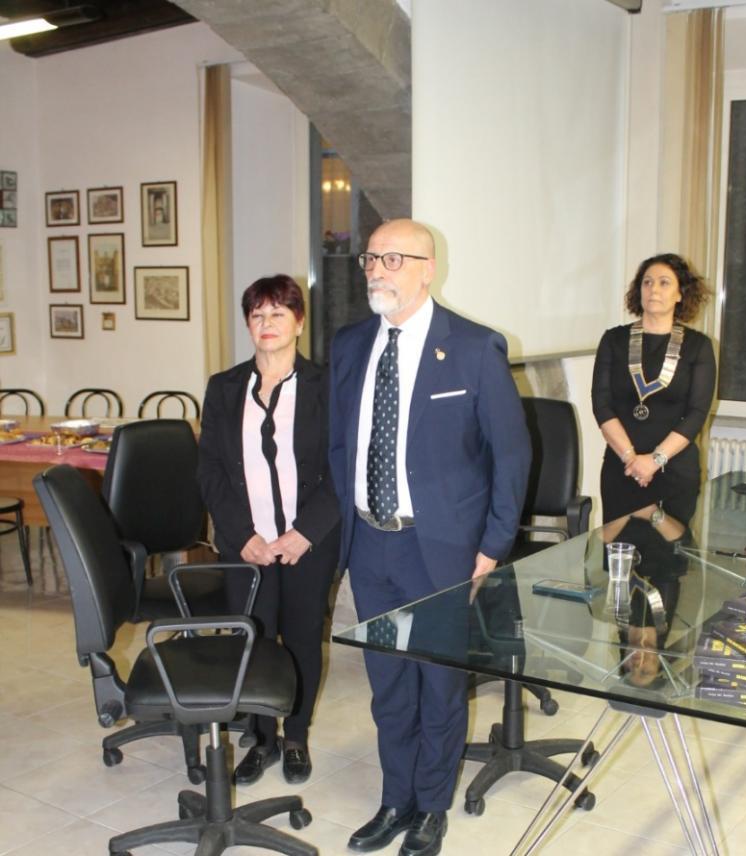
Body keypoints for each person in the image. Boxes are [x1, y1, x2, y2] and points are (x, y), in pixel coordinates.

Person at [329, 218, 530, 856]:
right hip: (370, 545)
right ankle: (396, 799)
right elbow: (339, 444)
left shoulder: (472, 347)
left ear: (427, 268)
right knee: (388, 684)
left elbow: (511, 456)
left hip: (441, 548)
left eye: (393, 259)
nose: (376, 270)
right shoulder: (350, 345)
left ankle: (432, 806)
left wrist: (491, 547)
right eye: (371, 258)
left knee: (440, 685)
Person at [197, 274, 340, 786]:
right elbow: (210, 470)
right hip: (248, 545)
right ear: (248, 325)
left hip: (308, 544)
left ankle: (295, 735)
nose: (267, 323)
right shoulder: (224, 387)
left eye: (278, 313)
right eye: (257, 315)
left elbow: (343, 467)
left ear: (298, 322)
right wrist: (241, 536)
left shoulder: (327, 386)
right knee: (253, 640)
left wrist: (306, 532)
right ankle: (262, 739)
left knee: (301, 638)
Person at [591, 253, 716, 528]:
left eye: (663, 282)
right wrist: (631, 459)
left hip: (675, 470)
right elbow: (601, 404)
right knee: (620, 551)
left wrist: (654, 461)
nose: (653, 289)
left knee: (669, 553)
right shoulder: (613, 340)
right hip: (622, 468)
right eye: (647, 282)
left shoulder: (698, 346)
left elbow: (697, 413)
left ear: (680, 294)